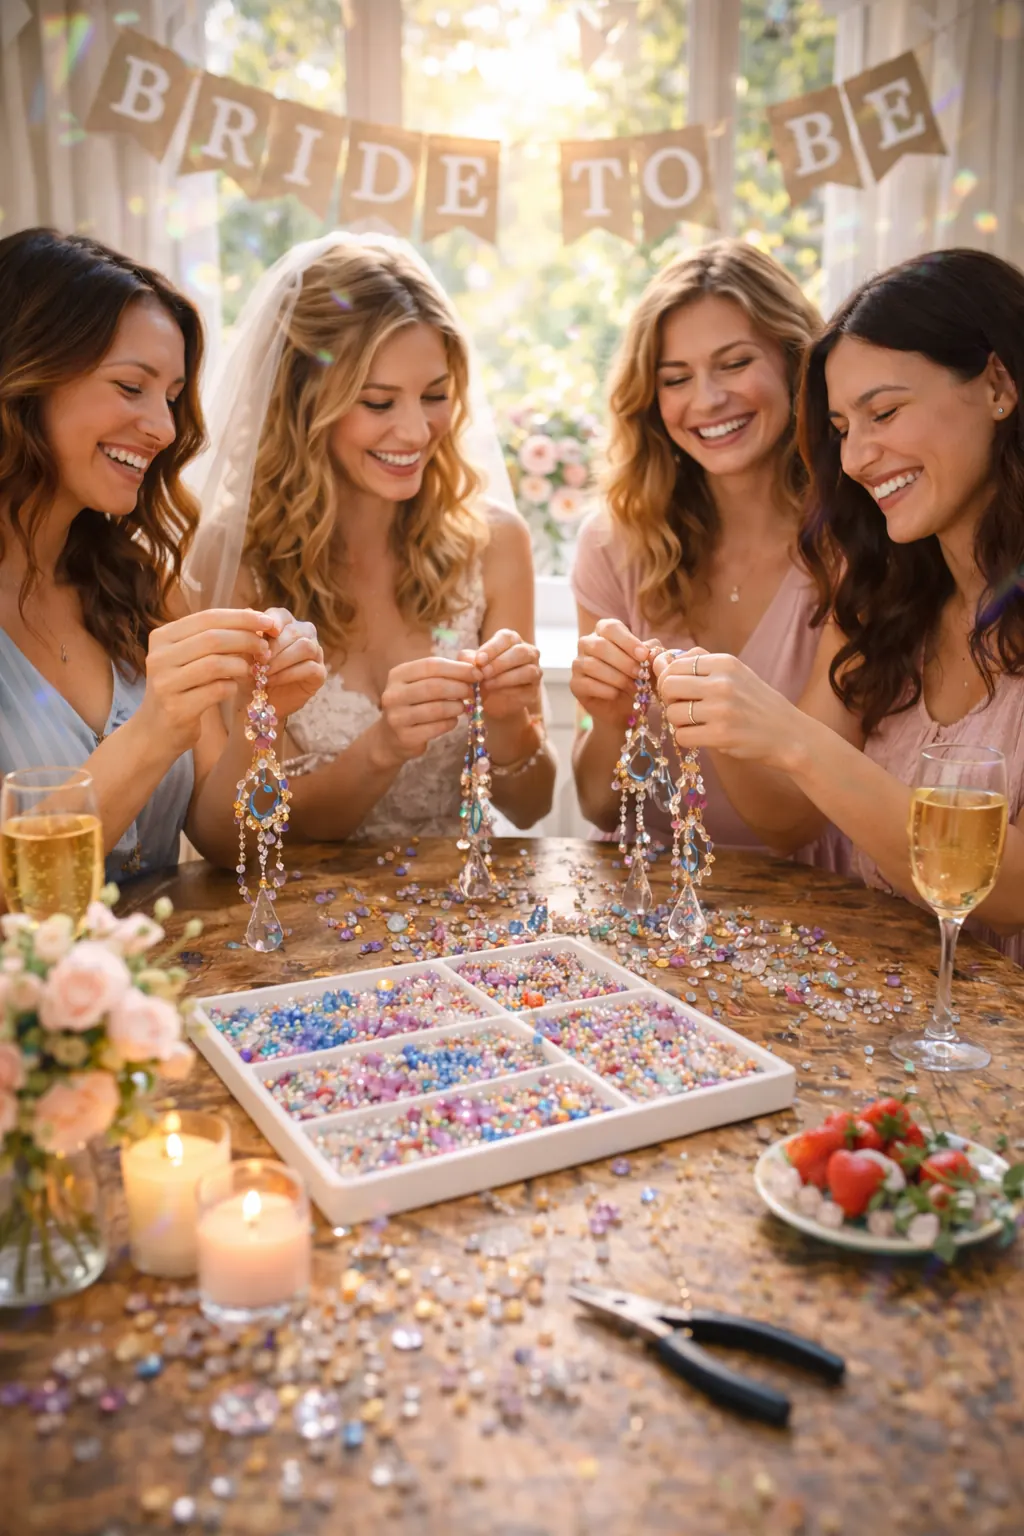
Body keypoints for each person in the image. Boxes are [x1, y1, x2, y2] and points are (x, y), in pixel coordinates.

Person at [654, 248, 1024, 962]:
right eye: (844, 428)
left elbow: (1010, 891)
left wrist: (797, 740)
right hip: (895, 1006)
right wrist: (711, 711)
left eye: (884, 412)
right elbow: (785, 821)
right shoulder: (886, 600)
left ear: (998, 385)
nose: (855, 460)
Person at [184, 233, 555, 839]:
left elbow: (531, 806)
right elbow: (232, 835)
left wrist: (509, 720)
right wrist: (382, 749)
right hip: (306, 899)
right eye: (379, 402)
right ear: (304, 403)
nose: (416, 431)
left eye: (435, 396)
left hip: (465, 895)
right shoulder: (236, 567)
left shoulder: (495, 544)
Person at [0, 228, 326, 884]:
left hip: (164, 953)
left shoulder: (142, 584)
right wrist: (153, 732)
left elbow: (223, 838)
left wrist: (260, 717)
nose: (165, 428)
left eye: (172, 398)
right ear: (24, 376)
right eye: (131, 387)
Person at [569, 238, 841, 863]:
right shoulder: (613, 543)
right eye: (676, 379)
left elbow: (792, 825)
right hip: (644, 889)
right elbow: (599, 807)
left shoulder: (854, 546)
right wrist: (610, 719)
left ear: (796, 363)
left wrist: (712, 714)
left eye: (735, 363)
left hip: (809, 895)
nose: (708, 399)